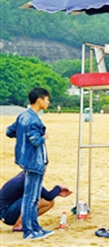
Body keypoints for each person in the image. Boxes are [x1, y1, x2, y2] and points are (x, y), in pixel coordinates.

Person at [5, 87, 54, 240]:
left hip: (27, 161)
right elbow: (35, 140)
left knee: (32, 198)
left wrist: (21, 137)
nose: (48, 102)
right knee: (31, 198)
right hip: (34, 162)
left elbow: (9, 131)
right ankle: (29, 231)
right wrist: (43, 136)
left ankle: (35, 228)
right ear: (39, 100)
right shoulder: (33, 119)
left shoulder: (23, 116)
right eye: (47, 99)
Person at [0, 171, 73, 232]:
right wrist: (59, 187)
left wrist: (57, 193)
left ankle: (27, 221)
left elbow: (48, 197)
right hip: (6, 214)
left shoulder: (26, 175)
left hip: (8, 211)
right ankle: (19, 225)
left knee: (49, 203)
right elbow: (48, 196)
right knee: (35, 199)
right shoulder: (29, 179)